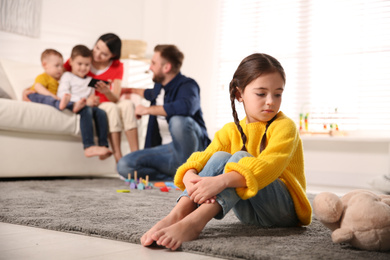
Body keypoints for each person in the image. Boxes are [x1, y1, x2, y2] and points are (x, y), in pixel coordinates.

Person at [140, 53, 312, 250]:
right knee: (220, 156)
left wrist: (221, 181)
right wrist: (189, 175)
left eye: (278, 94)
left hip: (284, 212)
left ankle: (196, 221)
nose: (271, 101)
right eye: (261, 94)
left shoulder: (285, 127)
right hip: (250, 213)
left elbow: (269, 167)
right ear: (240, 94)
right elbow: (202, 158)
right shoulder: (230, 130)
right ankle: (178, 213)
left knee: (241, 158)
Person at [117, 44, 211, 180]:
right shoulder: (158, 88)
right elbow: (148, 93)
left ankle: (190, 172)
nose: (150, 67)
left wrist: (147, 110)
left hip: (194, 153)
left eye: (153, 63)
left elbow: (187, 107)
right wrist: (128, 90)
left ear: (166, 68)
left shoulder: (188, 85)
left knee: (178, 120)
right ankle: (176, 178)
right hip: (168, 153)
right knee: (124, 165)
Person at [64, 33, 139, 162]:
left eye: (104, 54)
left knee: (127, 104)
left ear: (113, 55)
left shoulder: (117, 66)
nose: (97, 54)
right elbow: (58, 76)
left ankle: (137, 156)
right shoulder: (84, 57)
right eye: (97, 47)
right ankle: (118, 158)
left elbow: (115, 98)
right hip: (94, 103)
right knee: (111, 108)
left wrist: (106, 91)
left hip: (109, 99)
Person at [58, 44, 112, 159]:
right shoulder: (67, 76)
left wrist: (94, 101)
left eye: (87, 65)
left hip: (87, 105)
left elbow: (91, 97)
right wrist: (83, 101)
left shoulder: (90, 81)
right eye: (80, 64)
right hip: (73, 105)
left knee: (101, 113)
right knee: (86, 110)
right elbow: (62, 94)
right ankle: (88, 146)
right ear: (71, 61)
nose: (83, 68)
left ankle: (103, 145)